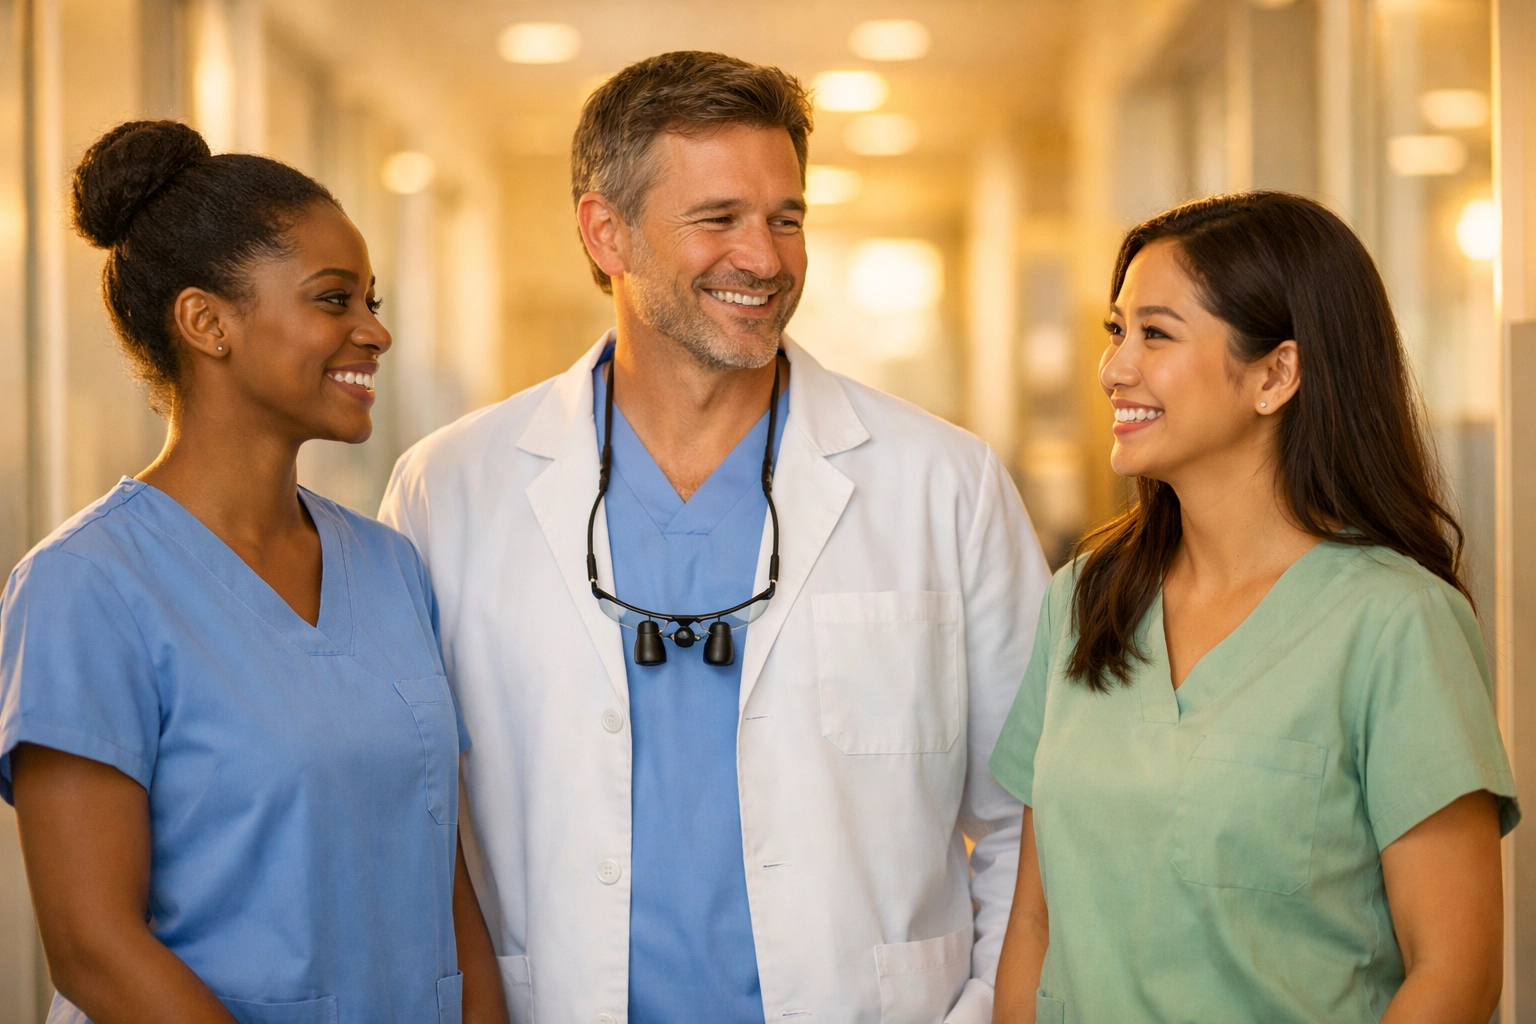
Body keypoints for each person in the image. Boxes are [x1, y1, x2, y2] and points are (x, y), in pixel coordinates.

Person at [380, 51, 1049, 1024]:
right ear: (606, 231)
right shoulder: (449, 489)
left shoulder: (944, 484)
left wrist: (986, 1010)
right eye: (719, 218)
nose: (765, 260)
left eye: (786, 219)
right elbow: (408, 814)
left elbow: (1028, 812)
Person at [0, 121, 509, 1024]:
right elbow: (94, 948)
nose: (375, 331)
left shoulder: (388, 565)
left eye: (370, 300)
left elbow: (444, 879)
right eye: (334, 300)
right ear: (207, 322)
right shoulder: (85, 586)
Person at [988, 191, 1518, 1023]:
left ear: (1276, 373)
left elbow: (1456, 972)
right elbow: (1034, 922)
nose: (1115, 368)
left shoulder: (1396, 623)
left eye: (1156, 334)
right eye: (1116, 331)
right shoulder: (1086, 599)